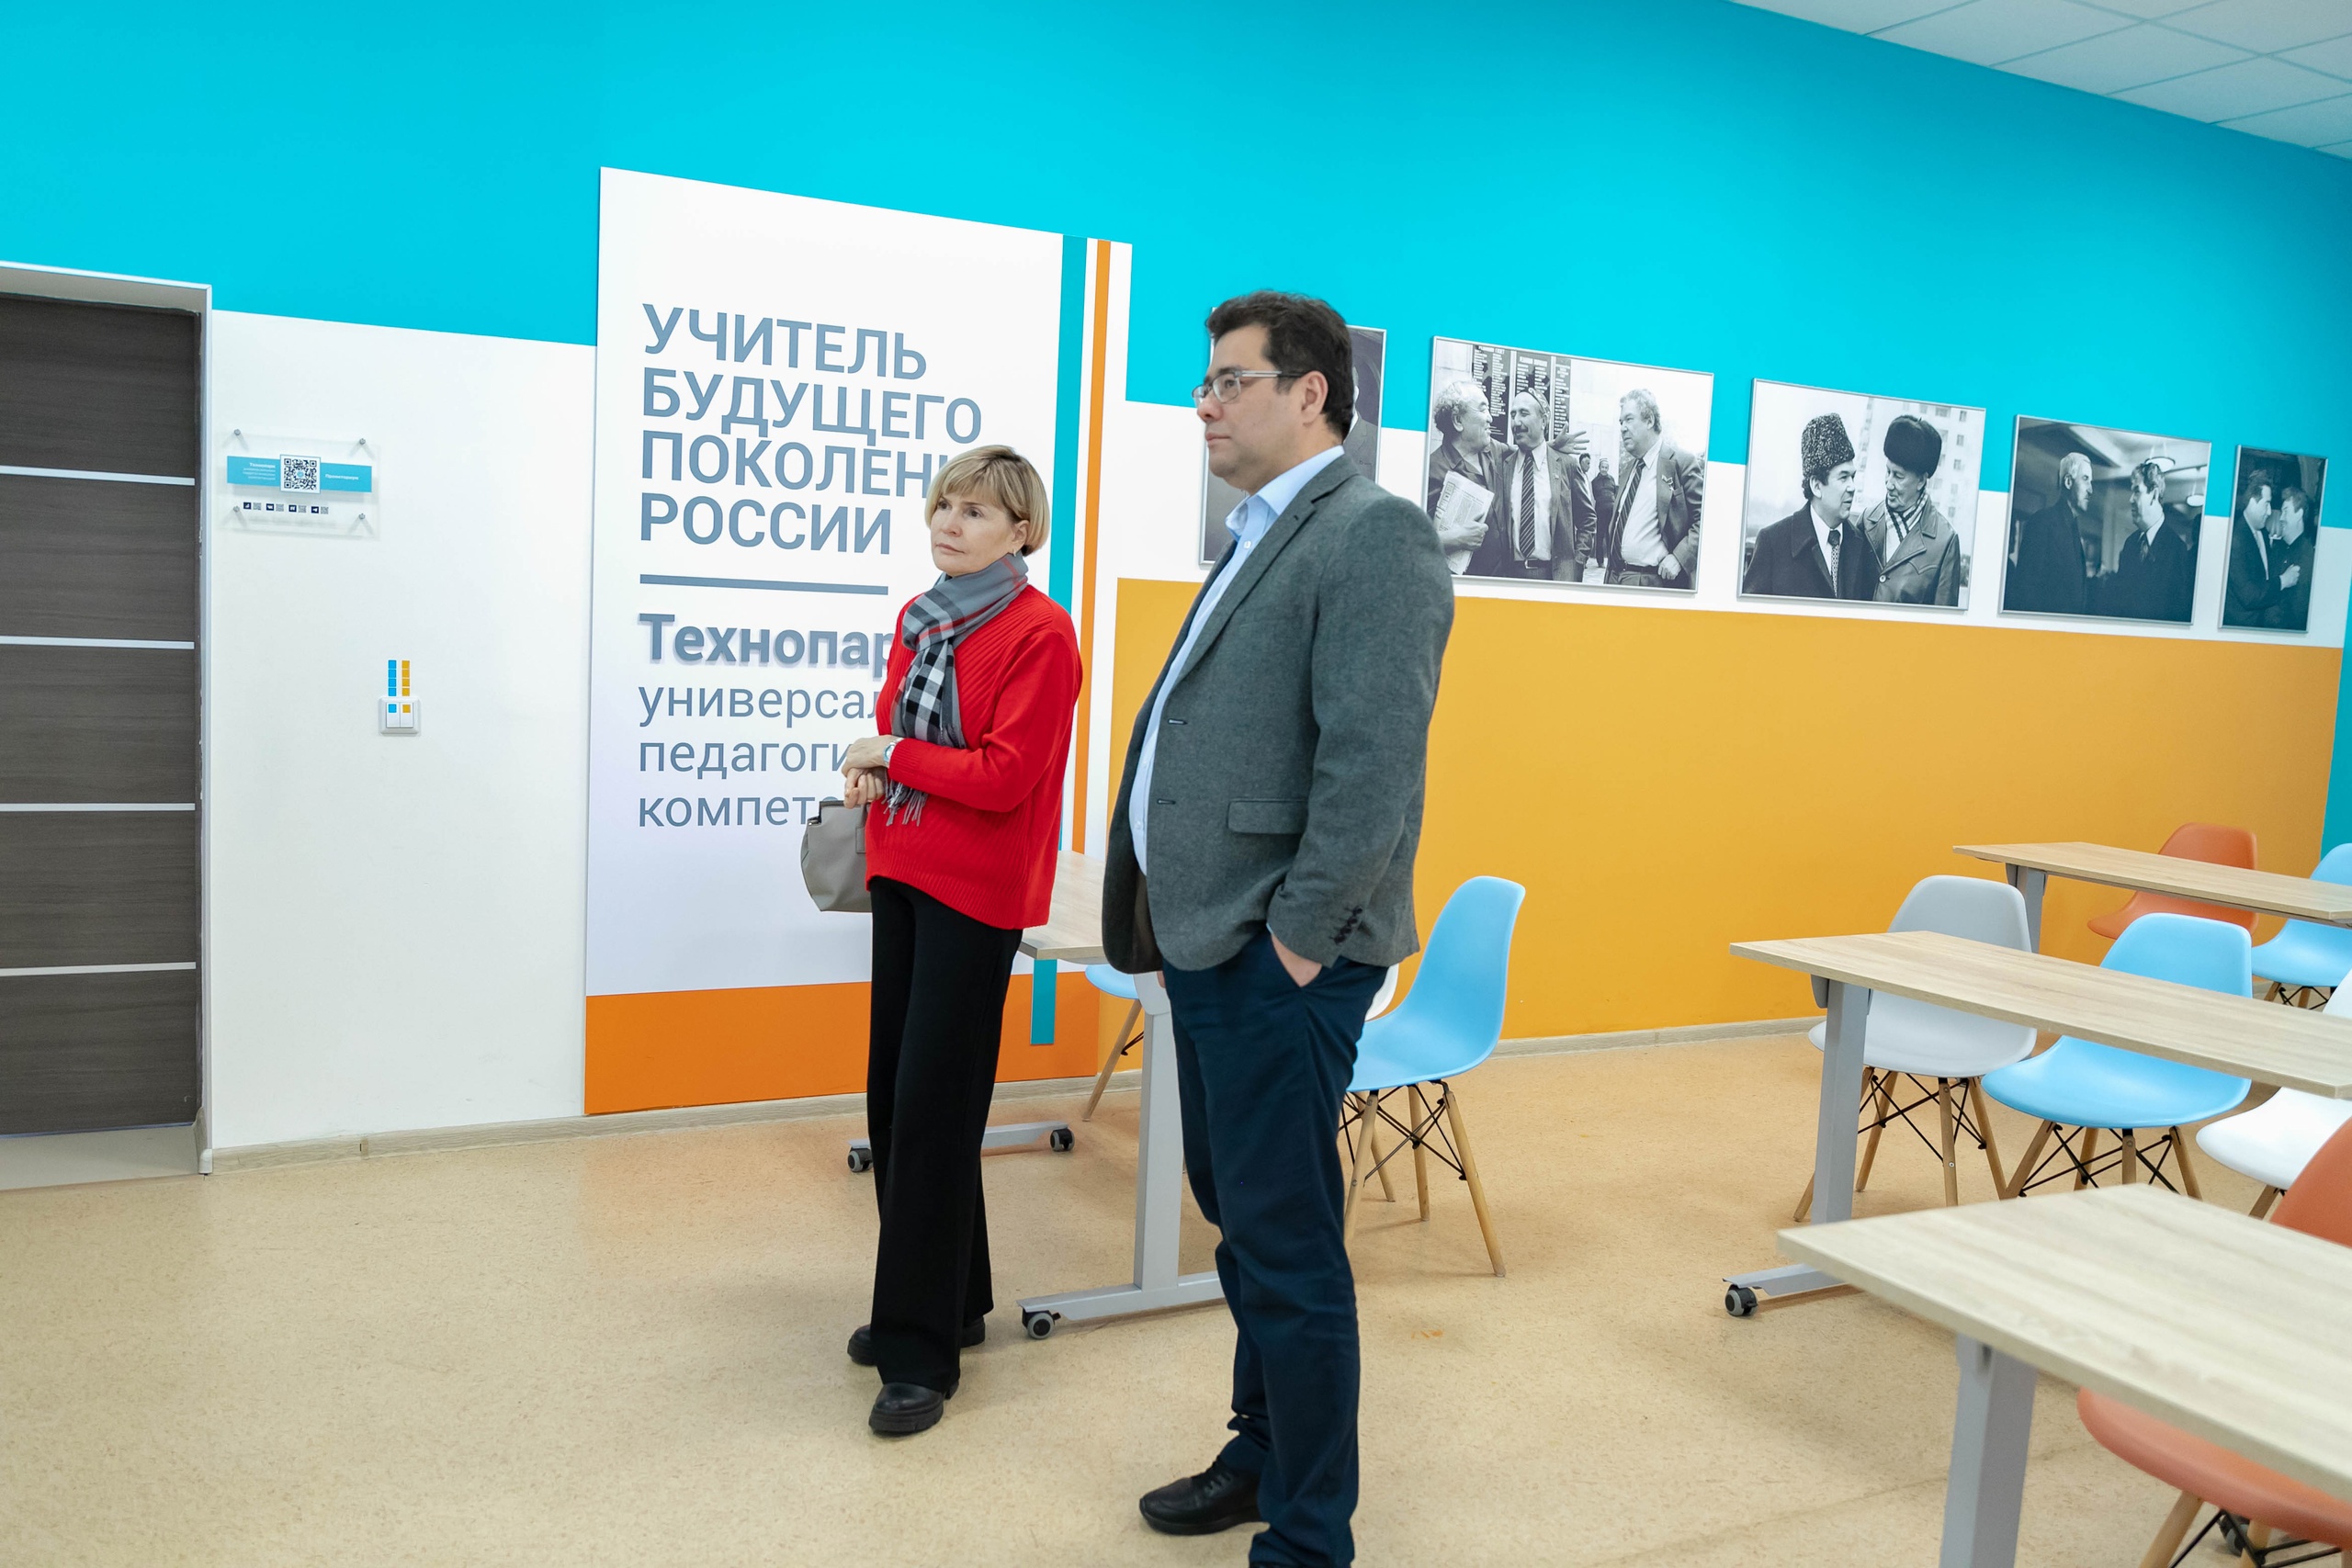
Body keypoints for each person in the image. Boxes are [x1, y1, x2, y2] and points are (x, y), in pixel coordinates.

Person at [1104, 290, 1452, 1568]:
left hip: (1277, 955)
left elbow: (1373, 763)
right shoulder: (1258, 530)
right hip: (1209, 942)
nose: (1204, 402)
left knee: (1290, 1250)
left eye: (1229, 381)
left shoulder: (1373, 534)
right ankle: (1258, 1453)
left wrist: (1299, 939)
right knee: (1246, 1228)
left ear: (1310, 393)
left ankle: (1310, 1535)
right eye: (1205, 381)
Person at [834, 446, 1081, 1438]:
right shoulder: (922, 616)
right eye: (945, 504)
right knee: (896, 1103)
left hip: (977, 892)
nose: (950, 522)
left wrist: (892, 753)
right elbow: (902, 727)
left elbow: (1004, 774)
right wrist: (877, 764)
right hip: (900, 866)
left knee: (936, 1111)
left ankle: (919, 1354)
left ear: (1021, 532)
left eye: (977, 512)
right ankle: (953, 1301)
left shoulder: (1041, 633)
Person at [1744, 412, 1879, 600]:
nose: (1852, 487)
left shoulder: (1862, 545)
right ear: (1816, 486)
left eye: (1852, 477)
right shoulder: (1773, 543)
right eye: (1843, 477)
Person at [1471, 389, 1595, 580]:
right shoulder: (1503, 466)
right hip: (1512, 577)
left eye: (1524, 413)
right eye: (1513, 415)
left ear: (1543, 421)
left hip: (1556, 578)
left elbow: (1587, 519)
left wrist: (1577, 563)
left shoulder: (1567, 465)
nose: (1516, 422)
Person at [1599, 388, 1702, 587]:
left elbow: (1705, 520)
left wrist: (1680, 557)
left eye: (1629, 419)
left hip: (1650, 581)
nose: (1623, 428)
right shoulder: (1628, 469)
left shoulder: (1681, 463)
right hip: (1614, 578)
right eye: (1621, 422)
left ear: (1649, 421)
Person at [1861, 414, 1962, 605]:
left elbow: (1943, 619)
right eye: (1888, 472)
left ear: (1921, 481)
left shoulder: (1945, 542)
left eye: (1898, 476)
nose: (1889, 483)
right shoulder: (1866, 521)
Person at [2101, 457, 2195, 622]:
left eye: (2137, 491)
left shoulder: (2176, 550)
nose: (2131, 499)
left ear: (2154, 494)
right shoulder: (2131, 544)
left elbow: (2177, 613)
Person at [1423, 378, 1499, 570]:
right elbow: (1414, 542)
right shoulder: (1432, 470)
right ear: (1458, 421)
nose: (1490, 418)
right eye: (1483, 409)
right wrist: (1456, 538)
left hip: (1500, 580)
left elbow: (1518, 452)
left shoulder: (1492, 450)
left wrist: (1552, 446)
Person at [2005, 450, 2093, 615]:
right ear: (2068, 482)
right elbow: (2025, 593)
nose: (2091, 490)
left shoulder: (2073, 528)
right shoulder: (2042, 523)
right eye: (2085, 479)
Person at [2222, 469, 2278, 628]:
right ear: (2253, 502)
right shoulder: (2235, 540)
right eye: (2267, 504)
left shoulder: (2263, 533)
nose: (2269, 512)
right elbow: (2249, 596)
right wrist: (2282, 582)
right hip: (2239, 627)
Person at [2268, 484, 2315, 631]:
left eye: (2286, 511)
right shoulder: (2279, 548)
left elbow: (2297, 613)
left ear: (2299, 514)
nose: (2281, 518)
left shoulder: (2307, 556)